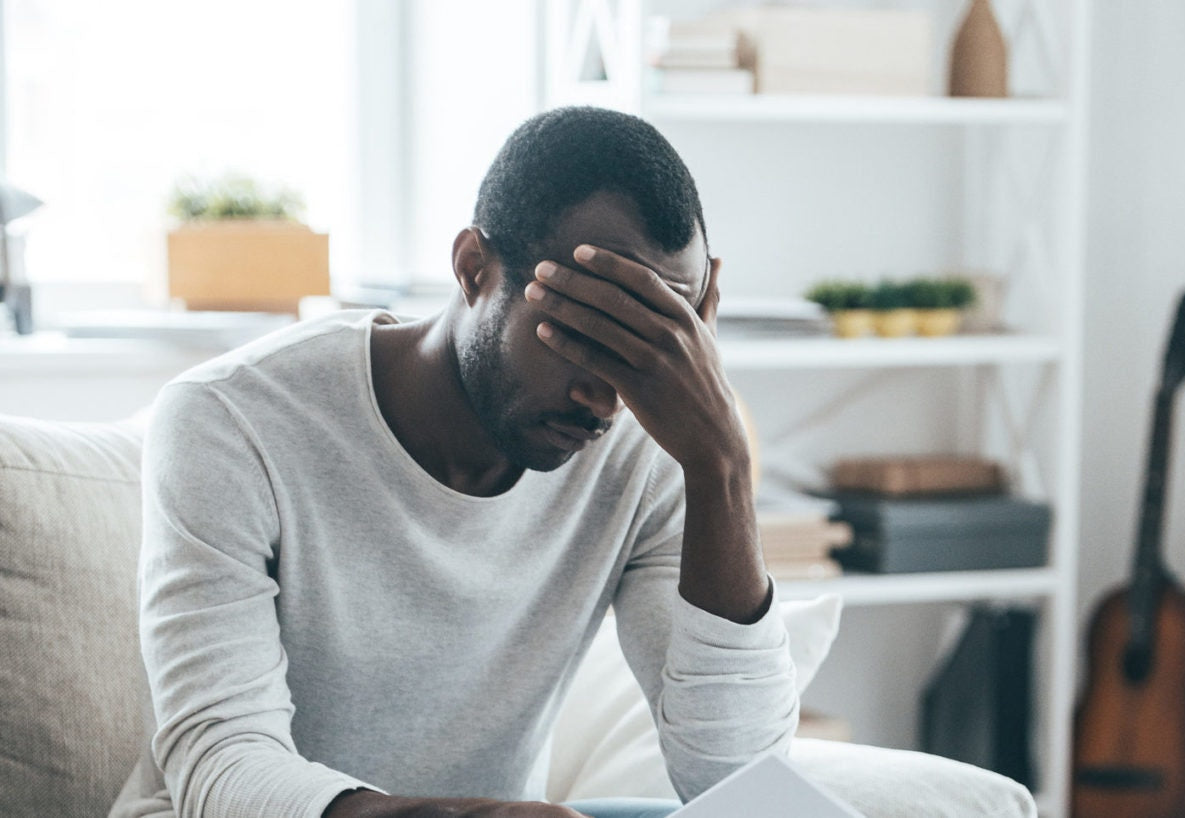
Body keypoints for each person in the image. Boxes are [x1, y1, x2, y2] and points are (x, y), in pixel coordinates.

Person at [115, 106, 798, 818]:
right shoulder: (232, 421)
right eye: (584, 333)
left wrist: (721, 462)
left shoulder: (657, 446)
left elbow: (740, 782)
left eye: (653, 342)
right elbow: (220, 767)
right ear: (474, 269)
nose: (609, 394)